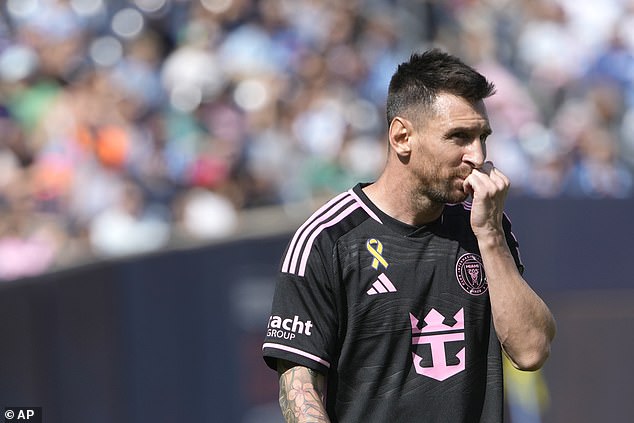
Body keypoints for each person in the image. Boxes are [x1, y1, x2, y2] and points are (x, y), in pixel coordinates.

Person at [262, 48, 556, 422]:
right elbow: (300, 392)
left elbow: (531, 350)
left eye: (483, 136)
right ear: (402, 137)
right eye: (459, 137)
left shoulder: (484, 225)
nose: (477, 155)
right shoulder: (328, 239)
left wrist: (490, 235)